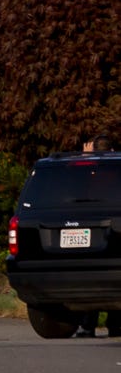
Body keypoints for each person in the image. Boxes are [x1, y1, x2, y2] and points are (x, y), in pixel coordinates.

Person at [74, 134, 119, 338]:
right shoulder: (115, 170)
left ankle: (87, 325)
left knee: (90, 280)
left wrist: (85, 158)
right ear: (111, 151)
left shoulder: (88, 172)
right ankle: (115, 324)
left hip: (89, 230)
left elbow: (76, 183)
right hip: (113, 230)